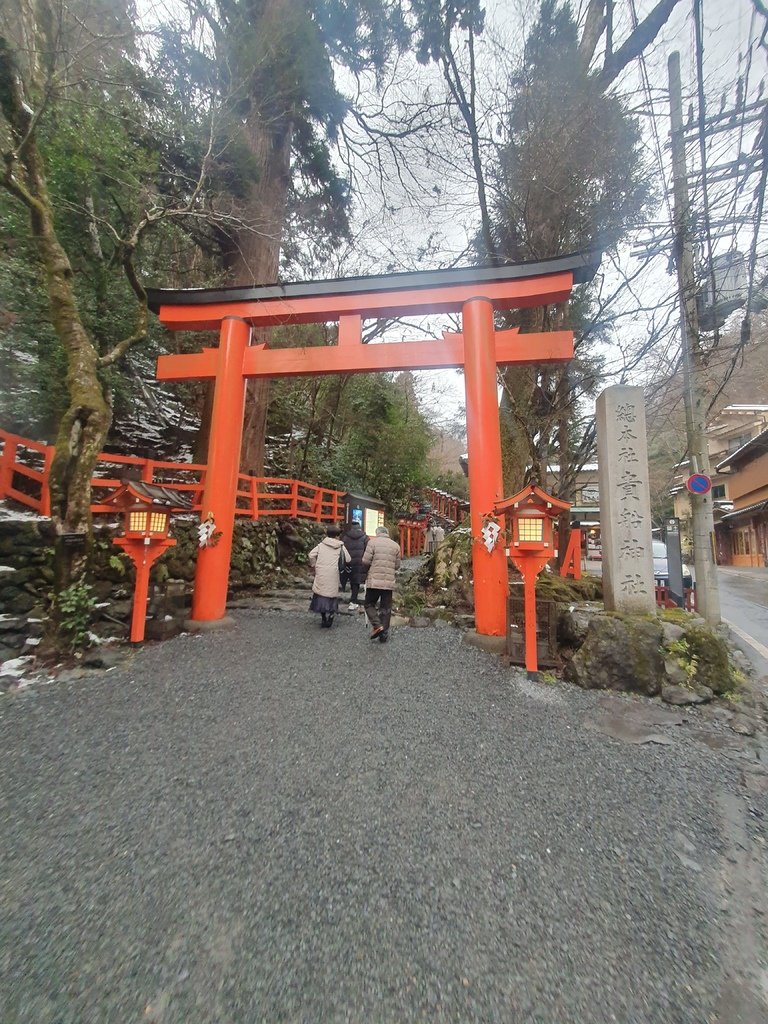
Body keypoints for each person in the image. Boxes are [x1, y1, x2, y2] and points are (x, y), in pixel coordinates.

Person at [361, 525, 401, 642]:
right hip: (388, 582)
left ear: (377, 533)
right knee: (386, 607)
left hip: (374, 580)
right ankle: (384, 634)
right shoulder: (395, 546)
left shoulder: (372, 543)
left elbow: (365, 561)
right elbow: (397, 565)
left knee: (369, 604)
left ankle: (377, 625)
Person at [308, 524, 350, 628]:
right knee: (331, 594)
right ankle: (331, 615)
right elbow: (348, 559)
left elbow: (311, 555)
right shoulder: (340, 546)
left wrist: (314, 564)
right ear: (337, 535)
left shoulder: (321, 545)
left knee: (321, 593)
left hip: (321, 571)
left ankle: (323, 618)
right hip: (333, 573)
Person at [340, 520, 368, 610]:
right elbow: (368, 550)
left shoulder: (345, 537)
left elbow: (342, 550)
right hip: (360, 562)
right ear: (360, 527)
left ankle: (348, 599)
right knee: (356, 582)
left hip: (349, 562)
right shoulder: (364, 537)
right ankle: (353, 601)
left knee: (350, 580)